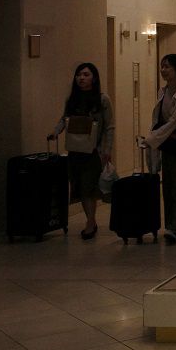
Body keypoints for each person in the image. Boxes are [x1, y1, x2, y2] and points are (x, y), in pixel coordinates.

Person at [49, 62, 114, 240]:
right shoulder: (72, 99)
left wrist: (107, 150)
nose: (82, 78)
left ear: (94, 78)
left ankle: (90, 223)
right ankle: (90, 220)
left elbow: (109, 127)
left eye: (86, 75)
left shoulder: (102, 99)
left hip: (94, 151)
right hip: (75, 149)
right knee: (79, 187)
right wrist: (55, 132)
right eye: (79, 75)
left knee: (88, 187)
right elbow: (65, 118)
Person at [145, 54, 176, 244]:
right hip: (166, 144)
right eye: (162, 66)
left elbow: (175, 122)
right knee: (167, 185)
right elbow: (158, 119)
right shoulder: (163, 91)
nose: (163, 70)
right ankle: (171, 225)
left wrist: (153, 138)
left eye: (167, 66)